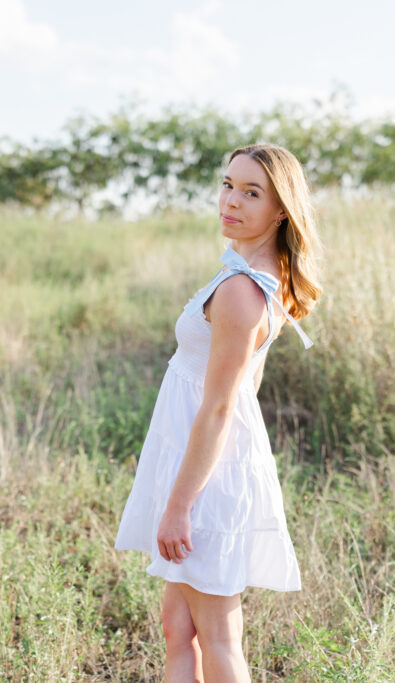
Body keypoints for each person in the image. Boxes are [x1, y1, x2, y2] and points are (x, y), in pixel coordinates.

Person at [114, 143, 322, 682]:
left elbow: (222, 405)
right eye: (229, 185)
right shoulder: (249, 274)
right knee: (177, 628)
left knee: (219, 640)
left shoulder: (241, 291)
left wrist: (181, 504)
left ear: (281, 209)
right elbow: (248, 380)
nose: (231, 200)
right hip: (196, 458)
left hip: (206, 475)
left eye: (251, 192)